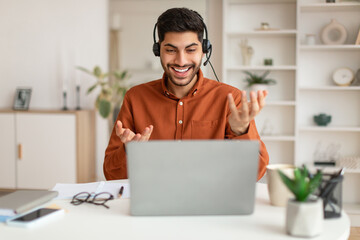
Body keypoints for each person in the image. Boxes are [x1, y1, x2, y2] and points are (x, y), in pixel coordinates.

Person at [104, 7, 269, 181]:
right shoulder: (135, 98)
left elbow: (255, 173)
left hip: (210, 204)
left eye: (190, 50)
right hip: (154, 203)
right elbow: (111, 174)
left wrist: (241, 130)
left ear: (204, 50)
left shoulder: (230, 98)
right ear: (157, 50)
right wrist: (129, 151)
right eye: (170, 50)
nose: (181, 61)